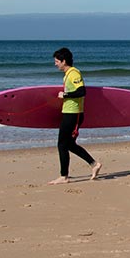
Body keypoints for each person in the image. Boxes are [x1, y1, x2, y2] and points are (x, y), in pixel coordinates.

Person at [49, 48, 102, 185]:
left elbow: (82, 91)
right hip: (69, 113)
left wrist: (65, 95)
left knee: (62, 144)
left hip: (73, 114)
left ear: (63, 61)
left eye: (57, 61)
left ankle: (64, 176)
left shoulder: (74, 73)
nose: (55, 64)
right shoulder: (67, 74)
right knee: (69, 144)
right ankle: (94, 164)